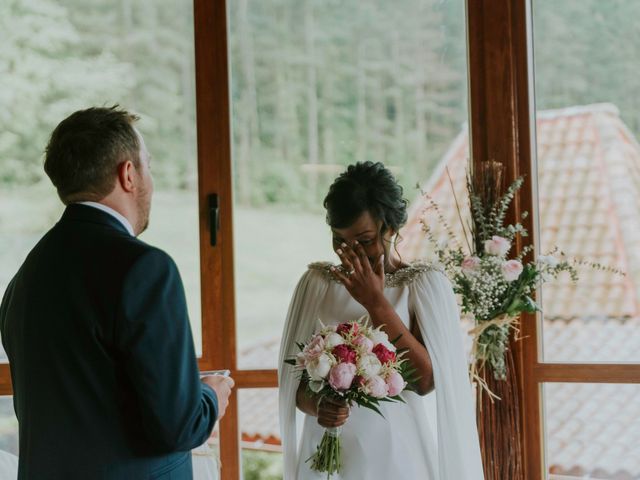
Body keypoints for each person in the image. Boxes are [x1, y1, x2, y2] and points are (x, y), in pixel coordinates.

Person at [0, 106, 234, 479]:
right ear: (128, 174)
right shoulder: (144, 269)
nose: (150, 181)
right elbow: (178, 427)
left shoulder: (24, 278)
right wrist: (210, 396)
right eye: (148, 166)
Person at [278, 162, 484, 479]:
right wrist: (319, 407)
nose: (350, 252)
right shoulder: (316, 284)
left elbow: (426, 381)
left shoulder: (421, 286)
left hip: (397, 452)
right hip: (327, 455)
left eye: (363, 240)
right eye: (339, 240)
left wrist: (376, 302)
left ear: (390, 228)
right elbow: (295, 386)